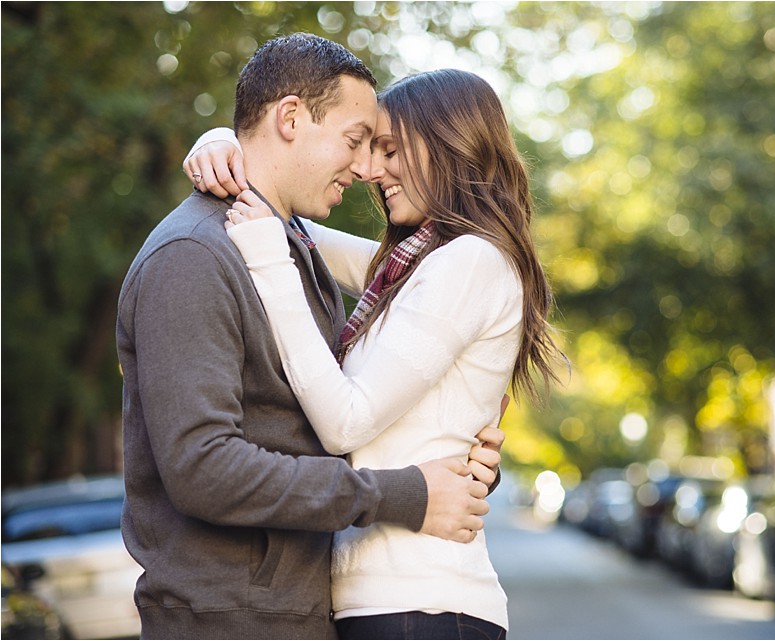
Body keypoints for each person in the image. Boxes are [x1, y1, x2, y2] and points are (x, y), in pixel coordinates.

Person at [117, 34, 504, 640]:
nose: (365, 168)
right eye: (356, 141)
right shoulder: (196, 256)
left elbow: (332, 416)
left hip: (292, 612)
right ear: (291, 118)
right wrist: (400, 493)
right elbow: (201, 467)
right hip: (227, 618)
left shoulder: (286, 250)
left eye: (381, 149)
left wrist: (456, 443)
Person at [183, 68, 567, 639]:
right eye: (365, 149)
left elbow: (347, 422)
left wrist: (266, 259)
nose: (370, 170)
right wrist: (227, 145)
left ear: (449, 146)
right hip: (388, 603)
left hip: (423, 603)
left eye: (389, 150)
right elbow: (292, 224)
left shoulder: (471, 263)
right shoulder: (417, 268)